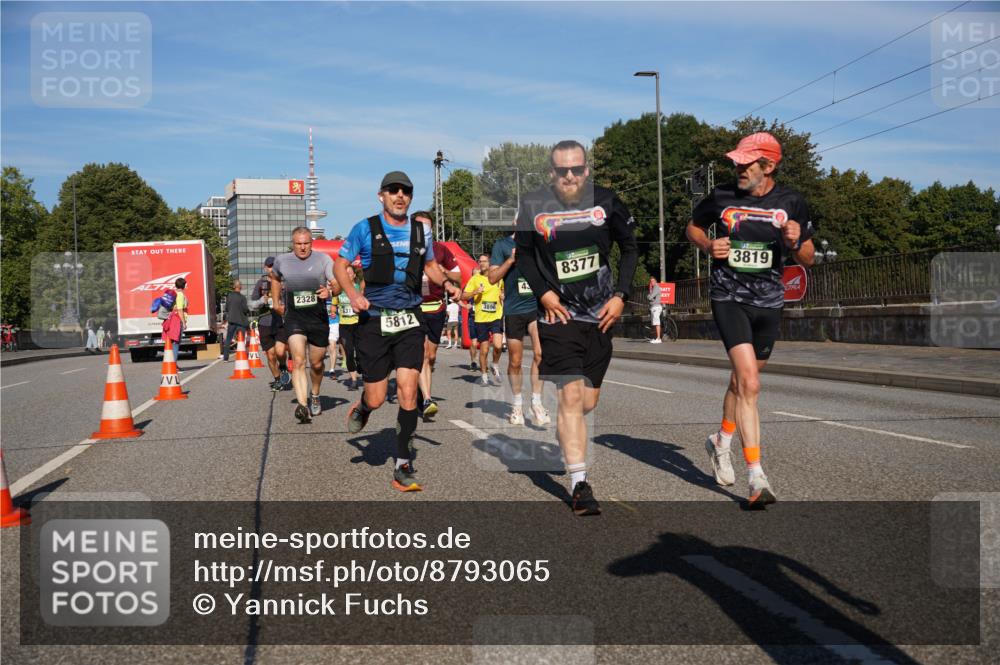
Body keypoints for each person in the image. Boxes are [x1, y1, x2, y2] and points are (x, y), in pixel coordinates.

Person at [685, 132, 815, 509]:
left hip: (769, 302)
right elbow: (693, 227)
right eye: (736, 163)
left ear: (769, 167)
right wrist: (708, 245)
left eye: (746, 164)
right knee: (751, 383)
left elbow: (807, 258)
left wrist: (796, 238)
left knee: (741, 382)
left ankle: (720, 441)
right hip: (729, 297)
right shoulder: (723, 197)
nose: (738, 169)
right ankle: (756, 476)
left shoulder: (791, 201)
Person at [516, 139, 638, 516]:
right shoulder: (532, 205)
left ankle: (568, 437)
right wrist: (544, 295)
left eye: (577, 169)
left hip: (600, 316)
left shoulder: (607, 200)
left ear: (587, 170)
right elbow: (522, 254)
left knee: (587, 402)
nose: (570, 176)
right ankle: (579, 484)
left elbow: (630, 248)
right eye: (562, 170)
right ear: (552, 173)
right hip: (559, 317)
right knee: (570, 398)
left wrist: (621, 295)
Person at [336, 171, 463, 492]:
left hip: (409, 318)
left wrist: (448, 283)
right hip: (374, 320)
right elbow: (341, 265)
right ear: (381, 195)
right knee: (378, 397)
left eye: (405, 191)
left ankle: (403, 464)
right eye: (393, 191)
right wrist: (353, 294)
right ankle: (364, 406)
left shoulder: (421, 231)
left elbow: (431, 266)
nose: (399, 196)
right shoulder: (365, 228)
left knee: (408, 391)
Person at [271, 227, 335, 423]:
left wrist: (331, 293)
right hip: (294, 317)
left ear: (311, 243)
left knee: (316, 364)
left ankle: (315, 394)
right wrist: (275, 302)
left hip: (318, 318)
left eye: (306, 243)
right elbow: (274, 278)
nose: (302, 247)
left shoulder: (323, 260)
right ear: (293, 243)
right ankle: (303, 405)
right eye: (298, 244)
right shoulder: (282, 260)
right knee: (298, 361)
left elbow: (336, 282)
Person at [489, 226, 550, 426]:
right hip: (514, 310)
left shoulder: (539, 243)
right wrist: (510, 260)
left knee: (541, 354)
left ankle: (536, 402)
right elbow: (492, 278)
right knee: (515, 360)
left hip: (536, 306)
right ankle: (517, 405)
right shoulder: (502, 245)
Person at [412, 211, 462, 420]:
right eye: (419, 227)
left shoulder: (441, 250)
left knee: (431, 357)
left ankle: (419, 391)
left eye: (427, 227)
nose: (424, 231)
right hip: (414, 308)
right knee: (422, 354)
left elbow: (459, 274)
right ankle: (426, 399)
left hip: (436, 308)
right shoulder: (406, 249)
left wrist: (443, 272)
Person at [462, 254, 504, 386]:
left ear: (490, 262)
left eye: (484, 261)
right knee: (484, 350)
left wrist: (503, 295)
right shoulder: (475, 279)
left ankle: (495, 364)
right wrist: (474, 292)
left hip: (496, 316)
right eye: (480, 262)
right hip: (481, 319)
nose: (482, 264)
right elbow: (463, 295)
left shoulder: (498, 277)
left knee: (498, 346)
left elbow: (502, 290)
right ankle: (484, 374)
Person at [251, 257, 290, 392]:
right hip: (265, 322)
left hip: (280, 321)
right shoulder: (260, 284)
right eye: (269, 266)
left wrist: (284, 305)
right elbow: (253, 305)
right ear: (265, 268)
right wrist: (262, 300)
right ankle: (278, 379)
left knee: (280, 350)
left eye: (274, 266)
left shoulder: (284, 283)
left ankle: (283, 366)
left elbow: (292, 302)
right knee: (271, 354)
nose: (271, 269)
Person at [337, 264, 364, 390]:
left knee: (359, 350)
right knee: (348, 351)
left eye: (350, 273)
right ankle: (353, 381)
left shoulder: (359, 287)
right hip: (344, 324)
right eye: (345, 273)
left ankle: (360, 362)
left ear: (354, 275)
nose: (347, 275)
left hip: (357, 324)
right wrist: (333, 310)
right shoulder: (339, 289)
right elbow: (333, 304)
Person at [222, 280, 250, 362]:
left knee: (228, 339)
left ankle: (225, 358)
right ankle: (243, 356)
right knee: (241, 340)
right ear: (240, 287)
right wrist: (247, 311)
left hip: (231, 321)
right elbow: (245, 309)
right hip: (241, 322)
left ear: (233, 287)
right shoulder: (242, 297)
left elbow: (226, 308)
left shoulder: (229, 296)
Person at [326, 297, 340, 377]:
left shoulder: (336, 295)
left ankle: (332, 370)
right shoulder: (317, 295)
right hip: (321, 324)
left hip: (334, 323)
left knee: (333, 346)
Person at [647, 277, 663, 343]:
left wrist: (648, 296)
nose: (652, 282)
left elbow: (650, 297)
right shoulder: (654, 288)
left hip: (656, 306)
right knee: (654, 323)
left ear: (656, 281)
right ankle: (655, 338)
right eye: (651, 281)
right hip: (654, 306)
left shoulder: (656, 287)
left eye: (653, 281)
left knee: (657, 323)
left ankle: (658, 339)